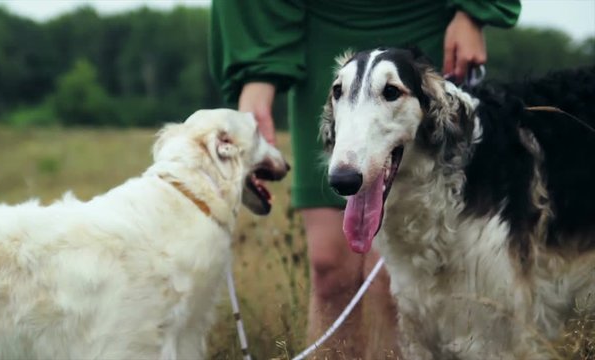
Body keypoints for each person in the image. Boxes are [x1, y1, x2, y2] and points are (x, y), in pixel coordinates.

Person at [209, 1, 520, 358]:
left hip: (427, 22)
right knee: (329, 265)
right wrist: (256, 76)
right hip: (320, 31)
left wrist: (473, 11)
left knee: (393, 279)